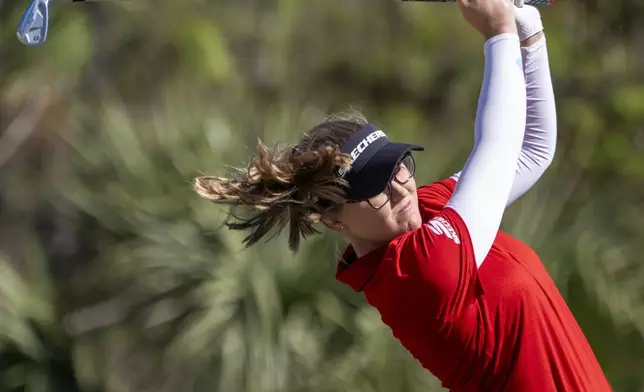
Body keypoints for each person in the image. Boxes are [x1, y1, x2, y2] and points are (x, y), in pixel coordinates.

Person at [193, 0, 613, 390]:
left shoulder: (428, 213)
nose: (398, 187)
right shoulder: (418, 275)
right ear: (334, 219)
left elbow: (530, 151)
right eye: (373, 186)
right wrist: (498, 33)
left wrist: (528, 31)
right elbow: (498, 147)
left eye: (396, 166)